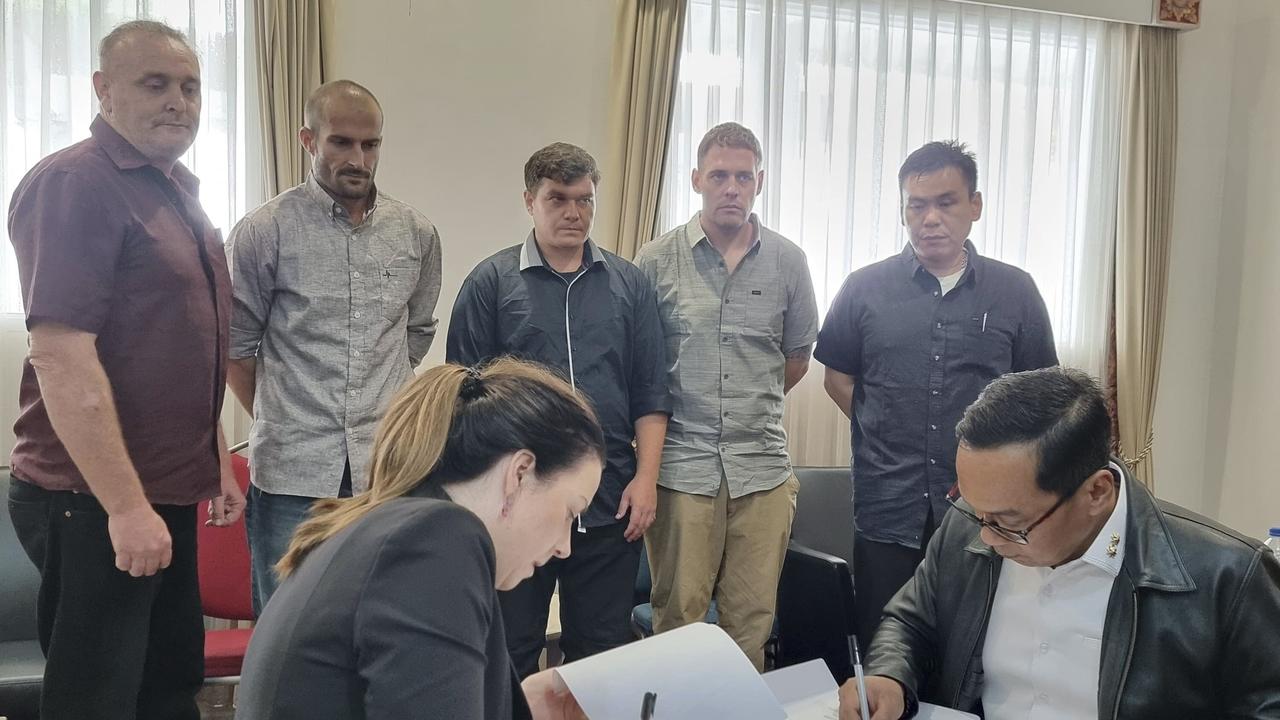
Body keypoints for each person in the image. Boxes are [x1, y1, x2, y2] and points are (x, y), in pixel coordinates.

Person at [5, 20, 243, 719]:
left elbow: (177, 345)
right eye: (156, 83)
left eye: (191, 86)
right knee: (98, 700)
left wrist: (215, 457)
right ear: (102, 91)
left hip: (158, 493)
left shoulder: (174, 190)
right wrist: (125, 507)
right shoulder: (76, 185)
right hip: (93, 500)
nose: (179, 101)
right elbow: (61, 355)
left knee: (167, 687)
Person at [838, 368, 1280, 720]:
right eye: (976, 509)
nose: (987, 537)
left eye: (1010, 523)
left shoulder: (1226, 576)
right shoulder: (966, 528)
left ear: (1096, 492)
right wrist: (888, 675)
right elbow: (911, 621)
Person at [235, 359, 601, 720]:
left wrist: (515, 704)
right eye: (571, 511)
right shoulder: (438, 540)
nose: (564, 547)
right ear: (519, 474)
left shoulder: (395, 528)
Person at [814, 140, 1057, 646]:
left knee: (974, 644)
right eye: (916, 204)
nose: (930, 218)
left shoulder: (1015, 292)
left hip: (986, 511)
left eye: (945, 202)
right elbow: (837, 378)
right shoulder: (863, 288)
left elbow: (1040, 399)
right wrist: (880, 429)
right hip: (888, 502)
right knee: (886, 640)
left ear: (975, 206)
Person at [447, 142, 670, 676]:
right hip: (518, 504)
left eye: (585, 200)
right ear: (530, 201)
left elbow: (650, 390)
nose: (574, 213)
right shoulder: (491, 283)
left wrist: (647, 479)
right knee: (511, 650)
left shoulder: (628, 285)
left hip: (610, 498)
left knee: (601, 652)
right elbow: (463, 399)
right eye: (559, 199)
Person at [225, 79, 442, 614]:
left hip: (385, 473)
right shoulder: (263, 232)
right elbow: (235, 348)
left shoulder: (415, 233)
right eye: (341, 142)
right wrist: (285, 415)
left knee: (383, 620)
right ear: (308, 139)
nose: (358, 158)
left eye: (370, 145)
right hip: (292, 475)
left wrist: (376, 402)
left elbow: (414, 334)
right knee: (289, 625)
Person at [635, 121, 819, 670]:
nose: (731, 187)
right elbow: (644, 368)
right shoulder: (656, 260)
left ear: (759, 181)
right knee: (678, 623)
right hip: (682, 471)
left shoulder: (789, 262)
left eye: (743, 176)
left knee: (751, 624)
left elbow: (795, 359)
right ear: (696, 179)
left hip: (761, 472)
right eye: (719, 175)